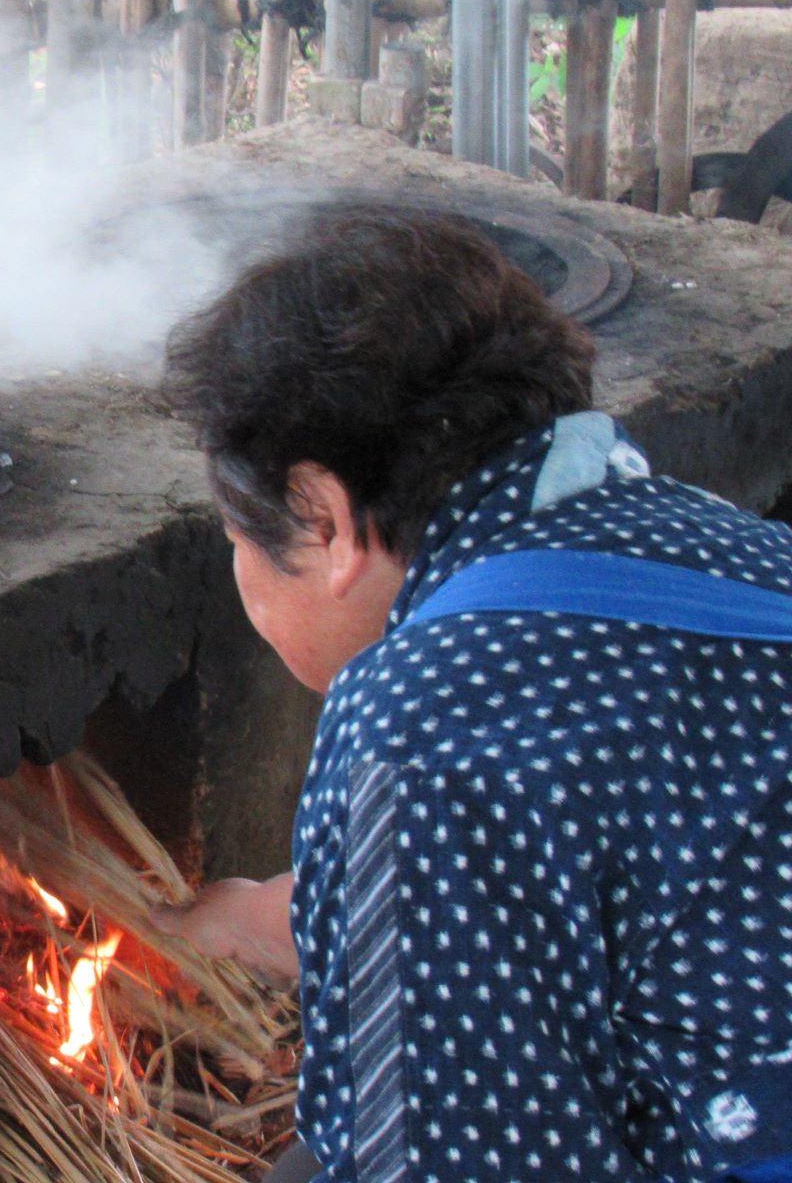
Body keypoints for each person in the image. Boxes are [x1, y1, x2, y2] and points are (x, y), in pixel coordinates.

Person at [151, 206, 792, 1182]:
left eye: (240, 539)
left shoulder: (420, 726)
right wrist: (262, 917)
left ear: (324, 520)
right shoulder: (733, 548)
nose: (242, 574)